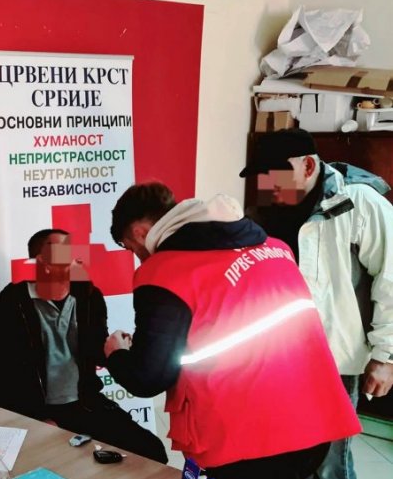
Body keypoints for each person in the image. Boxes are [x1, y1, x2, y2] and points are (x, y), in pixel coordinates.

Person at [104, 182, 360, 479]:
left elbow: (147, 377)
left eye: (129, 247)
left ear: (139, 233)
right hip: (313, 427)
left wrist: (116, 353)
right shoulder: (277, 249)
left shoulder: (162, 272)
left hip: (245, 445)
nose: (137, 255)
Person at [239, 128, 393, 479]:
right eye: (261, 176)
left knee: (329, 462)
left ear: (308, 166)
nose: (266, 184)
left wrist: (386, 357)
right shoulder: (265, 209)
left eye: (274, 174)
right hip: (278, 356)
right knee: (286, 457)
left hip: (334, 360)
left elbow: (391, 280)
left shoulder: (358, 202)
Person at [0, 229, 168, 463]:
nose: (77, 258)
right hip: (36, 409)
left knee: (152, 450)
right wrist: (35, 418)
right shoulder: (13, 301)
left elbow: (95, 350)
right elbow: (3, 367)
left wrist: (117, 348)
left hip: (85, 403)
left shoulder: (89, 296)